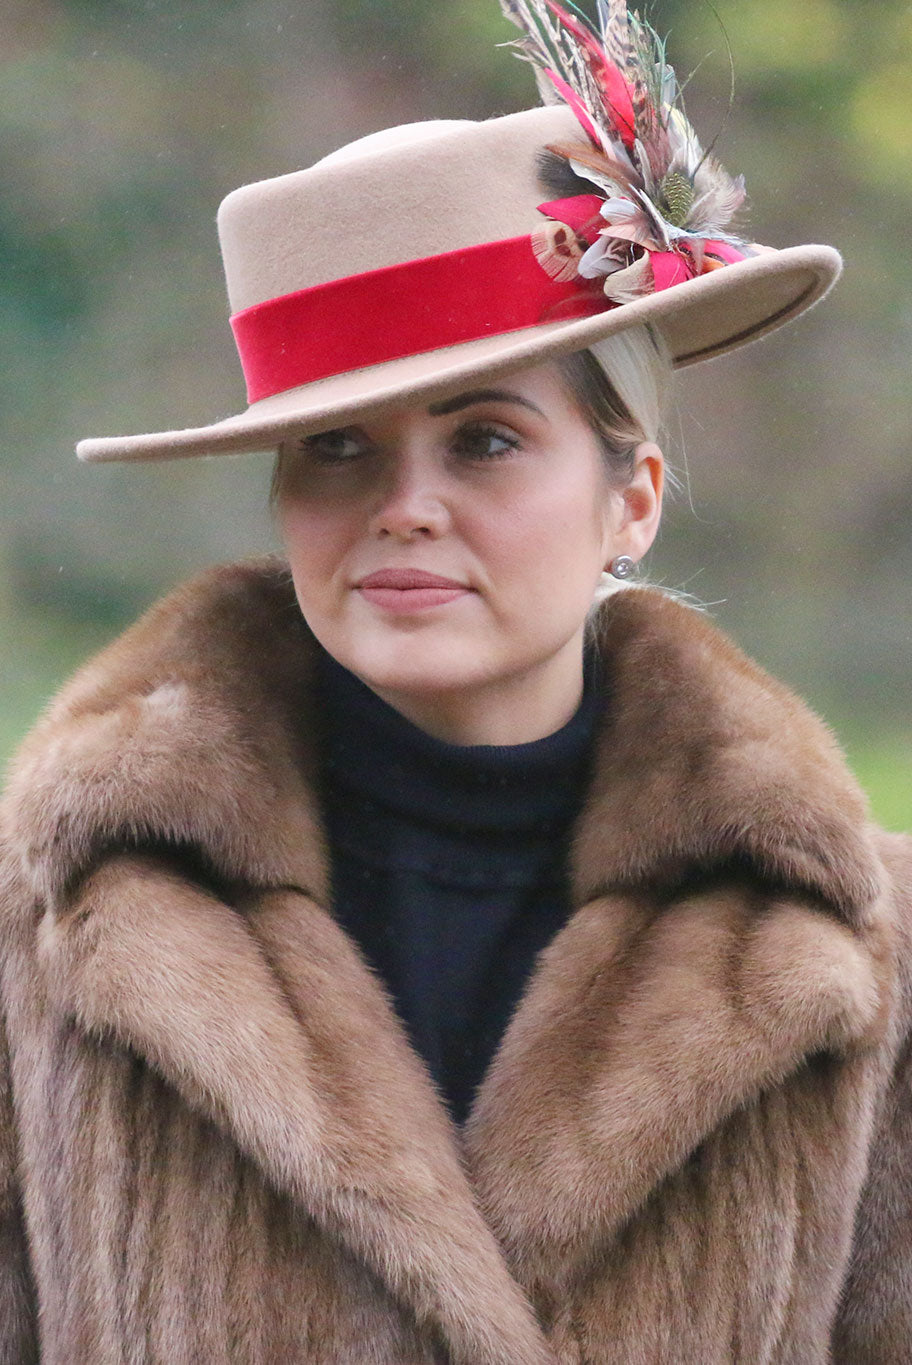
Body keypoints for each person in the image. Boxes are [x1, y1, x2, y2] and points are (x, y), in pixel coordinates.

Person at [0, 3, 909, 1361]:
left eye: (484, 440)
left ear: (634, 497)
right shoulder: (48, 929)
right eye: (340, 448)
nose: (405, 506)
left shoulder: (862, 949)